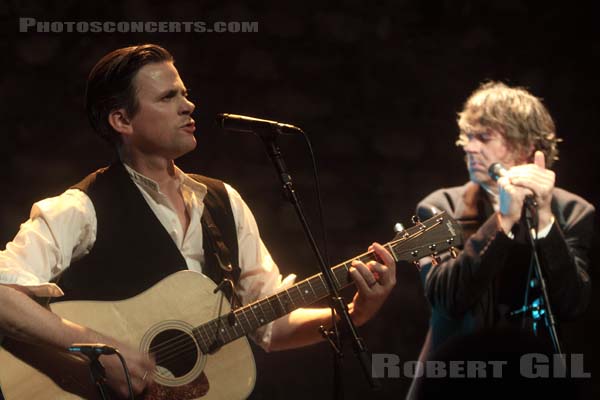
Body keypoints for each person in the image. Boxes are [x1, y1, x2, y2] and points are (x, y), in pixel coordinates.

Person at [0, 44, 396, 399]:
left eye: (185, 93)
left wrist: (354, 312)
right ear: (122, 120)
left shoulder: (224, 201)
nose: (188, 105)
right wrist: (99, 347)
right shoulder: (80, 208)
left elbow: (270, 326)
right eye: (169, 96)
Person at [408, 81, 594, 398]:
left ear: (526, 146)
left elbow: (571, 304)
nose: (468, 146)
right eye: (467, 136)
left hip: (535, 382)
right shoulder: (440, 207)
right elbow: (448, 299)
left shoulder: (573, 211)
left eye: (483, 137)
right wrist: (503, 219)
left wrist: (546, 218)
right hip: (457, 383)